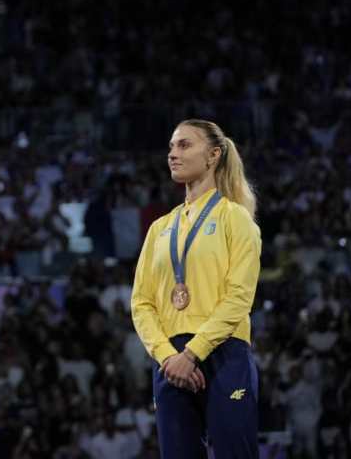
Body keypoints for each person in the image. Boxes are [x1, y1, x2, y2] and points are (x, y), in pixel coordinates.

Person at [130, 119, 262, 458]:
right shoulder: (159, 228)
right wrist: (168, 356)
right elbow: (141, 303)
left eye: (185, 145)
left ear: (214, 154)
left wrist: (192, 354)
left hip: (223, 351)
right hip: (169, 362)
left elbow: (239, 299)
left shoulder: (236, 219)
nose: (173, 154)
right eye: (172, 146)